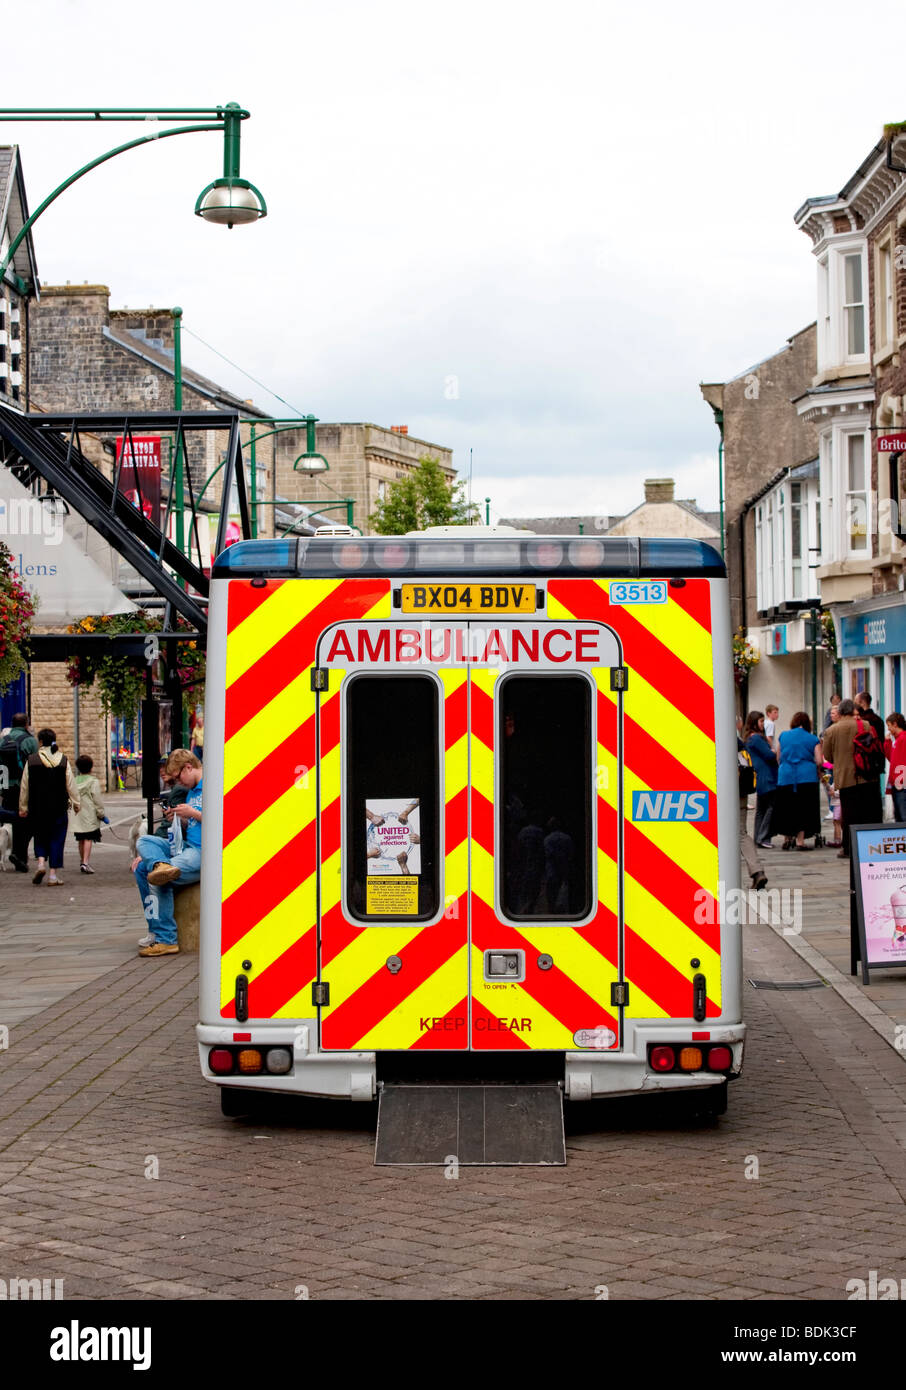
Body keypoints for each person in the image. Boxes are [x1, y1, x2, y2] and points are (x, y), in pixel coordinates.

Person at [131, 749, 203, 957]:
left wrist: (193, 813)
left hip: (201, 852)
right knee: (144, 843)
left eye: (179, 776)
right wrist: (178, 820)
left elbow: (224, 823)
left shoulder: (212, 787)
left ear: (188, 767)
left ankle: (166, 939)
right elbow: (193, 825)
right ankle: (159, 865)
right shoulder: (192, 792)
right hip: (186, 846)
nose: (179, 782)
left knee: (159, 878)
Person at [822, 699, 884, 857]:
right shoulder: (865, 725)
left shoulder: (831, 731)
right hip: (867, 776)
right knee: (868, 812)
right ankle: (870, 846)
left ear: (841, 712)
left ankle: (849, 847)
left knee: (849, 815)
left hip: (846, 778)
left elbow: (828, 756)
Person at [18, 728, 80, 886]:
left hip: (37, 807)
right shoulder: (63, 760)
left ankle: (40, 864)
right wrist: (76, 803)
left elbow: (24, 786)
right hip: (58, 807)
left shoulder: (32, 760)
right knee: (57, 839)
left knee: (40, 836)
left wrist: (23, 807)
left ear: (39, 742)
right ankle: (53, 875)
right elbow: (71, 784)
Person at [773, 712, 823, 851]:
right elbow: (819, 761)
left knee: (787, 807)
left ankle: (787, 838)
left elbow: (778, 757)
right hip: (806, 777)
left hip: (786, 776)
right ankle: (800, 841)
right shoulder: (813, 739)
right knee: (804, 808)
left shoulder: (783, 736)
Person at [0, 712, 38, 872]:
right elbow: (34, 765)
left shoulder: (3, 740)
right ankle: (20, 855)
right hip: (23, 787)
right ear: (26, 724)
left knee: (11, 819)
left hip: (6, 787)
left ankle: (14, 852)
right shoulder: (30, 741)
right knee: (26, 821)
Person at [743, 711, 778, 849]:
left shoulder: (749, 738)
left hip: (759, 775)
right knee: (771, 806)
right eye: (761, 721)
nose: (763, 724)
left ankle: (758, 836)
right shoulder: (756, 738)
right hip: (766, 775)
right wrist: (773, 751)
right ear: (754, 723)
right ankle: (763, 836)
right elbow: (769, 755)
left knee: (761, 808)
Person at [738, 735, 766, 890]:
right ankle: (757, 871)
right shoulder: (738, 743)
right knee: (741, 833)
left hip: (718, 795)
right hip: (741, 792)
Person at [71, 754, 108, 873]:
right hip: (89, 814)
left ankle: (82, 860)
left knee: (80, 839)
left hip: (78, 814)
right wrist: (101, 814)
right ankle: (85, 862)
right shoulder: (93, 782)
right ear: (91, 767)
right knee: (88, 838)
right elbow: (97, 799)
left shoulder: (74, 781)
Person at [884, 712, 906, 822]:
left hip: (901, 784)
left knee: (902, 816)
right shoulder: (897, 740)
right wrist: (887, 743)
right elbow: (892, 759)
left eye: (889, 725)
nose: (888, 729)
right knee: (899, 816)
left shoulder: (903, 739)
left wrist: (899, 782)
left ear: (895, 724)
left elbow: (901, 762)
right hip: (898, 783)